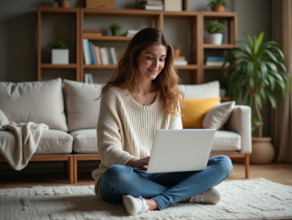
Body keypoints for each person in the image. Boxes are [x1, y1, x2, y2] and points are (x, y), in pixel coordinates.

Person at [92, 27, 233, 216]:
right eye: (150, 57)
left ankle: (152, 201)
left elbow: (176, 144)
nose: (156, 65)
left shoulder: (169, 95)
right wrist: (135, 161)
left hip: (163, 175)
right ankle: (188, 195)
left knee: (224, 163)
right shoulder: (113, 95)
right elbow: (106, 149)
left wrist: (182, 160)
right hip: (129, 174)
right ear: (135, 56)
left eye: (162, 59)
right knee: (114, 175)